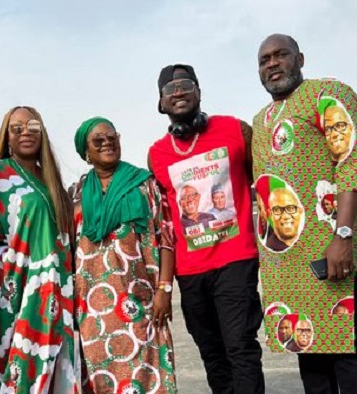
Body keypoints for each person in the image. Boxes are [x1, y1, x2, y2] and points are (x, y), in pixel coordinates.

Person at [253, 34, 357, 393]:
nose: (272, 64)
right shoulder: (260, 120)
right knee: (307, 352)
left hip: (327, 249)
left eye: (281, 55)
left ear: (301, 58)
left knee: (344, 348)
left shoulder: (328, 94)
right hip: (285, 263)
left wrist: (342, 236)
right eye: (264, 60)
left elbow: (350, 162)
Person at [149, 64, 265, 393]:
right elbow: (166, 219)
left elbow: (261, 181)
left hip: (235, 260)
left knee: (240, 347)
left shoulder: (235, 130)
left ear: (199, 92)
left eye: (186, 85)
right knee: (212, 354)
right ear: (161, 103)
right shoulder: (156, 154)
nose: (179, 92)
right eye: (170, 90)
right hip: (191, 272)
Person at [71, 116, 177, 393]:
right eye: (98, 140)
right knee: (100, 379)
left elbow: (166, 237)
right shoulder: (75, 193)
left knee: (147, 377)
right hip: (93, 309)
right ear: (86, 152)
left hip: (141, 302)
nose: (107, 143)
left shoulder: (144, 184)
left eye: (112, 137)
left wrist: (164, 289)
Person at [0, 106, 78, 393]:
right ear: (6, 137)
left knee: (59, 365)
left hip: (60, 287)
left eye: (33, 127)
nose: (26, 132)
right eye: (17, 128)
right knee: (20, 364)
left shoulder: (51, 181)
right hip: (15, 290)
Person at [266, 186, 304, 252]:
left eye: (290, 208)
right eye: (277, 210)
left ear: (300, 211)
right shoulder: (270, 250)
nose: (285, 216)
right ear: (270, 214)